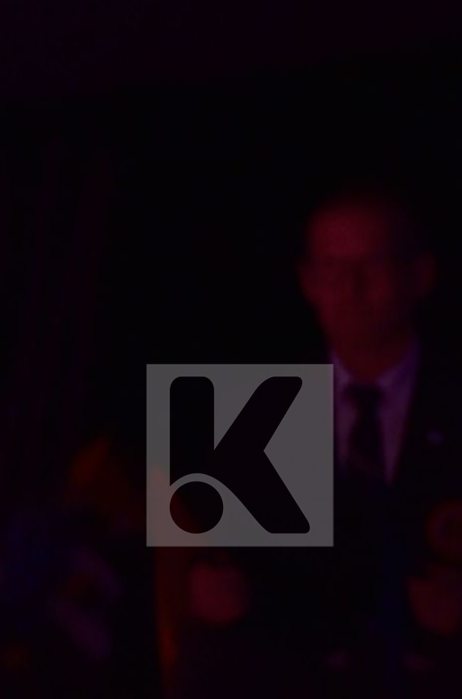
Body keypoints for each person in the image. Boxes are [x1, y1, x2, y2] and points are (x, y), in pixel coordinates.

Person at [167, 185, 462, 698]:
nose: (350, 288)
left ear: (420, 275)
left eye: (372, 266)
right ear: (308, 282)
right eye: (331, 270)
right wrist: (213, 595)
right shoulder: (262, 412)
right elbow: (230, 580)